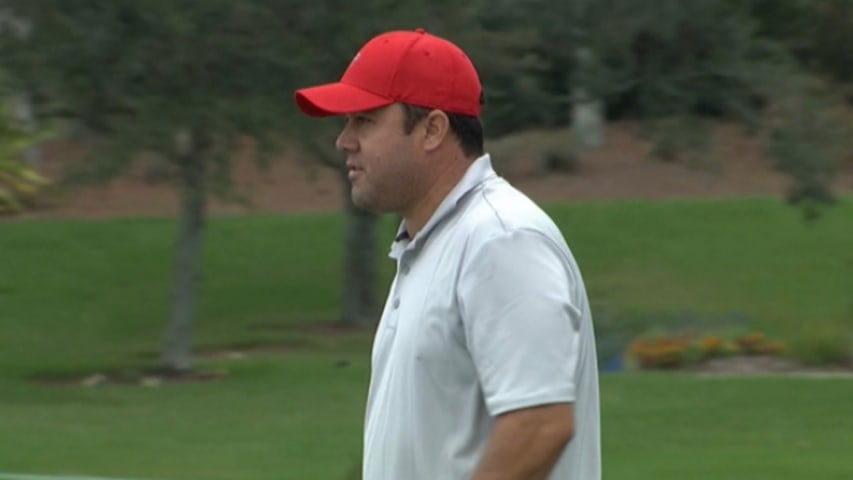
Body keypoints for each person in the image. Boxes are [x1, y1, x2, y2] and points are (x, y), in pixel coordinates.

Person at [294, 28, 600, 480]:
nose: (344, 140)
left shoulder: (500, 239)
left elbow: (540, 425)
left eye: (365, 120)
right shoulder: (435, 243)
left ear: (433, 130)